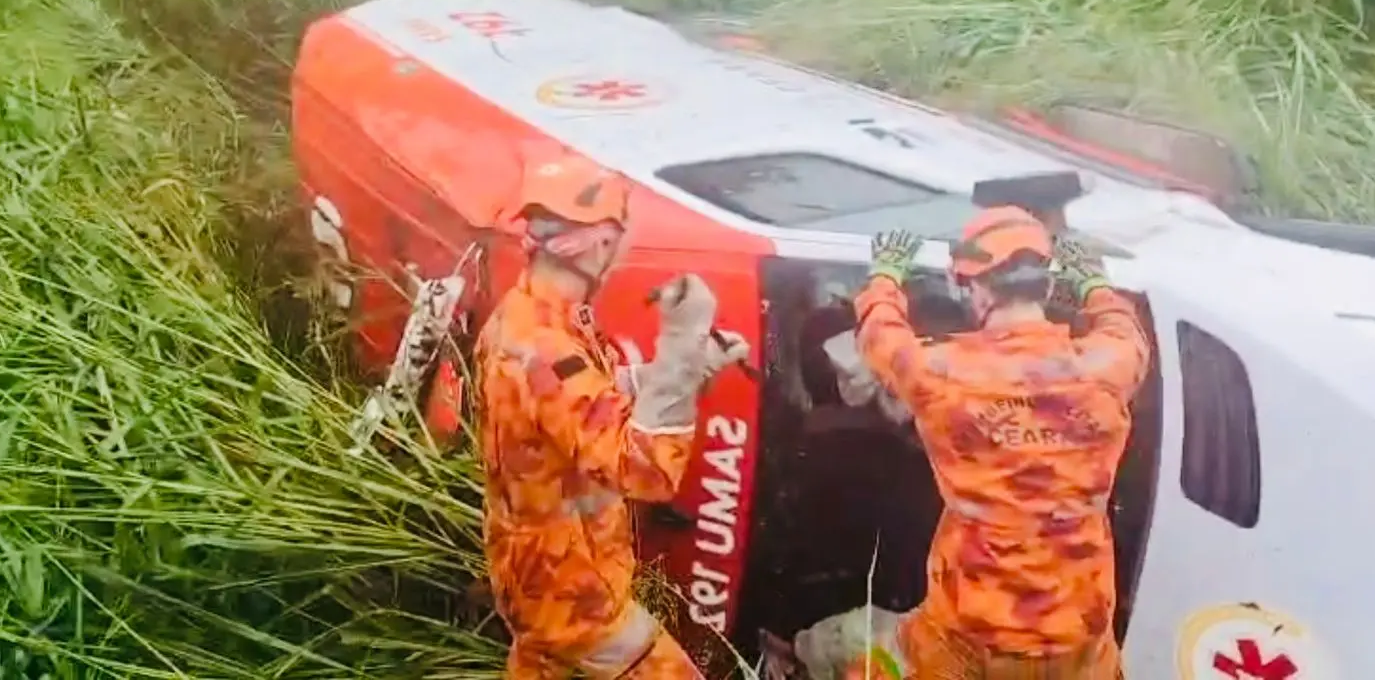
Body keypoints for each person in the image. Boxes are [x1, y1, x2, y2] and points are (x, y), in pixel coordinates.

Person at [795, 206, 1151, 680]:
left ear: (976, 290)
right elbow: (1126, 330)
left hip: (969, 635)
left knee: (840, 651)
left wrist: (884, 275)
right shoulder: (1109, 365)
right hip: (1080, 635)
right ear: (1046, 288)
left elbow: (880, 339)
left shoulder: (942, 372)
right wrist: (1094, 284)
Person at [475, 150, 749, 680]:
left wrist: (690, 368)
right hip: (574, 598)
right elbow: (645, 470)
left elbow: (583, 405)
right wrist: (679, 343)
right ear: (601, 240)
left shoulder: (529, 318)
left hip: (540, 582)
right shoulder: (544, 347)